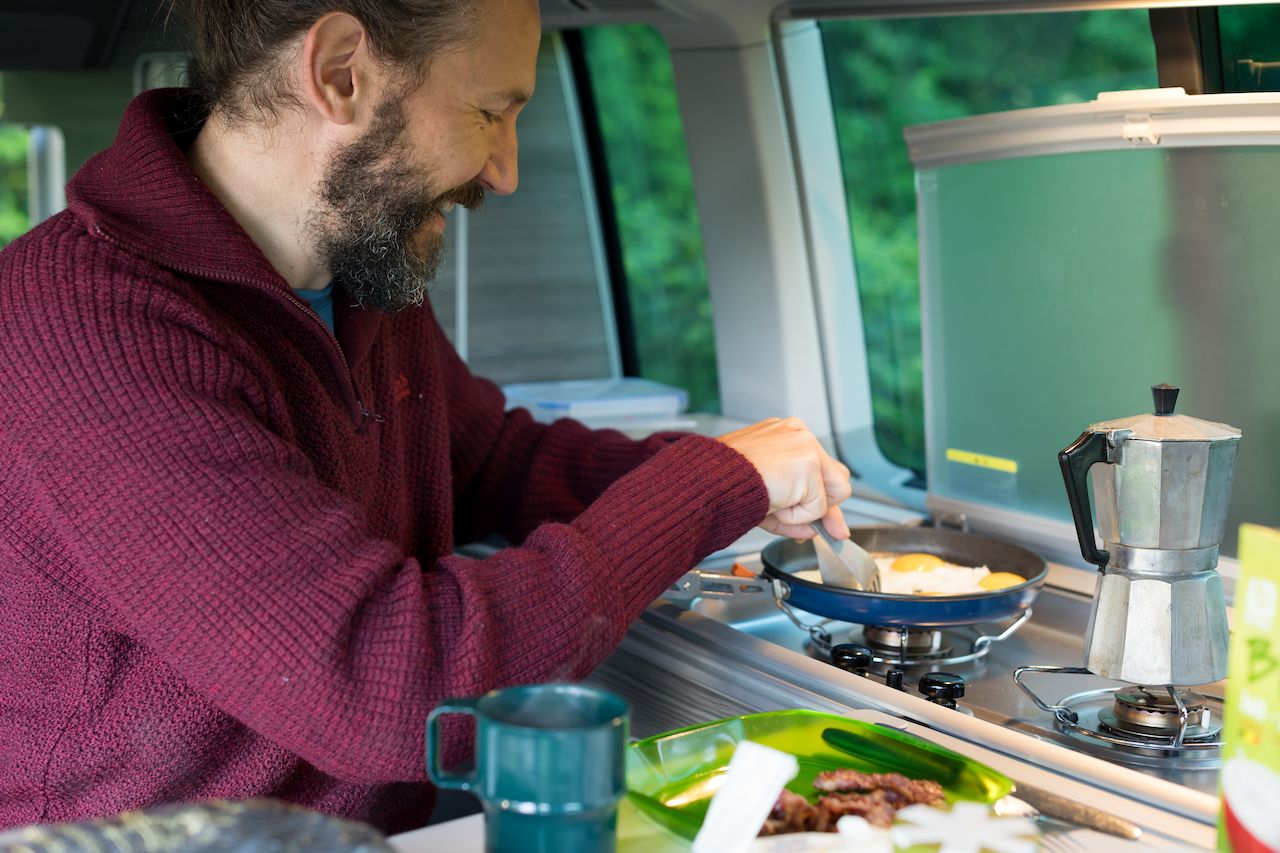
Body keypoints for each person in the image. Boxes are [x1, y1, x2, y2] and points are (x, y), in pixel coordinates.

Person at [0, 0, 852, 836]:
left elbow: (484, 459)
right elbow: (395, 688)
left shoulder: (362, 265)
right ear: (341, 72)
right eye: (489, 111)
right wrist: (708, 484)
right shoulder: (82, 325)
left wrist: (745, 478)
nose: (507, 170)